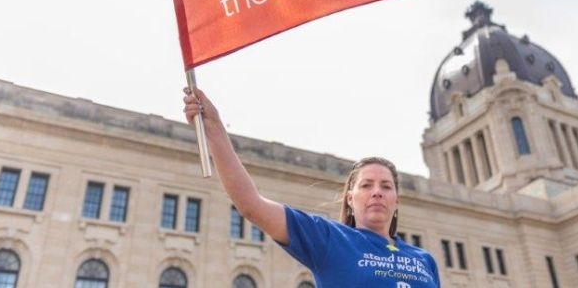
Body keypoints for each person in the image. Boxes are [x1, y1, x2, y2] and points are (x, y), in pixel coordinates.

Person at [183, 87, 440, 288]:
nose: (377, 192)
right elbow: (251, 205)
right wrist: (215, 130)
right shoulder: (329, 239)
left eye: (386, 186)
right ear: (350, 199)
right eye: (366, 185)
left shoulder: (424, 260)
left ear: (397, 201)